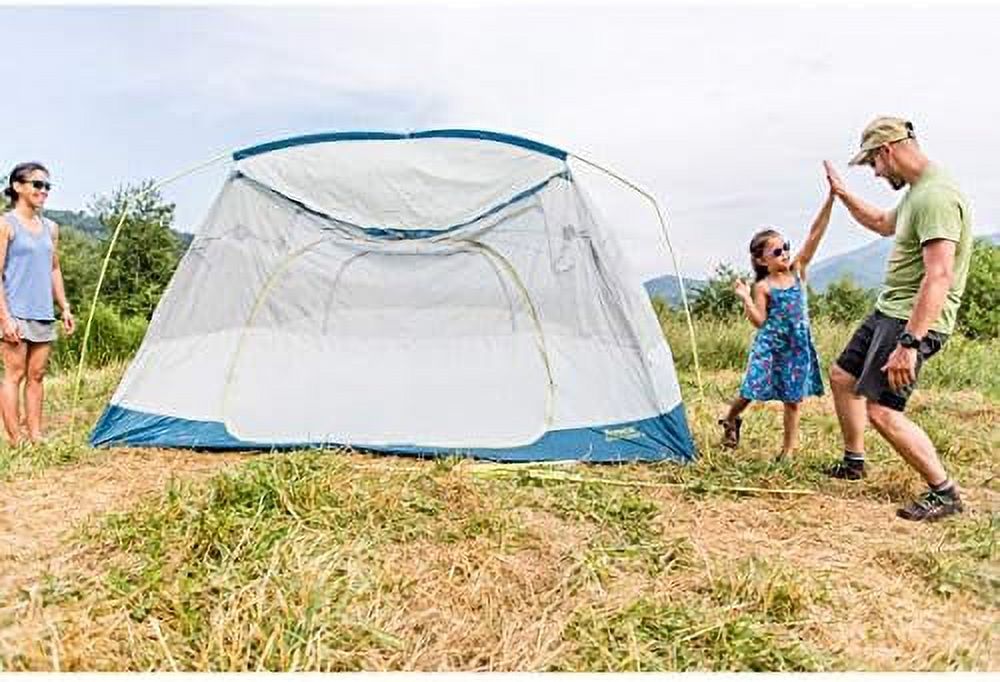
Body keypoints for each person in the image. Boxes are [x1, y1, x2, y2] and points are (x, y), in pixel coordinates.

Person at [822, 116, 973, 522]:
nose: (874, 172)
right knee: (843, 376)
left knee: (883, 411)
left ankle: (944, 492)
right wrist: (843, 195)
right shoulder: (917, 193)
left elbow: (939, 275)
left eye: (873, 162)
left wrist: (909, 343)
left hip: (911, 320)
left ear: (887, 150)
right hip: (889, 310)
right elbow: (881, 223)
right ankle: (854, 462)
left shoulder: (936, 197)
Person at [718, 177, 833, 459]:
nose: (785, 254)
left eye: (786, 247)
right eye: (777, 251)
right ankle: (731, 418)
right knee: (751, 390)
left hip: (796, 345)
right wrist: (746, 298)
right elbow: (759, 320)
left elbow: (815, 234)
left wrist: (831, 198)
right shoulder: (763, 286)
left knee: (793, 400)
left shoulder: (797, 271)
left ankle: (787, 452)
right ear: (762, 260)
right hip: (770, 346)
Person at [0, 162, 75, 445]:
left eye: (47, 186)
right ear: (18, 186)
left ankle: (35, 435)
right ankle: (16, 440)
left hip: (43, 312)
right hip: (14, 312)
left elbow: (54, 268)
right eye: (37, 184)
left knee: (37, 375)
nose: (43, 191)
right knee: (15, 374)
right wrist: (5, 318)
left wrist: (64, 307)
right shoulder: (5, 225)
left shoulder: (51, 228)